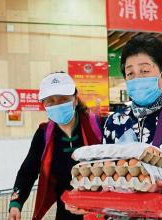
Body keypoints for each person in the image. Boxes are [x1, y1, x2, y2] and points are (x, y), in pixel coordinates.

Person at [67, 34, 162, 219]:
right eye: (130, 73)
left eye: (145, 71)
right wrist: (89, 200)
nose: (137, 78)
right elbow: (108, 172)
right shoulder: (115, 122)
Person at [7, 72, 102, 220]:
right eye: (50, 101)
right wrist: (16, 204)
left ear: (75, 100)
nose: (57, 105)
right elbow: (28, 170)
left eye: (64, 99)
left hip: (99, 209)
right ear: (44, 105)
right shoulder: (44, 134)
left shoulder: (98, 125)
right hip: (66, 210)